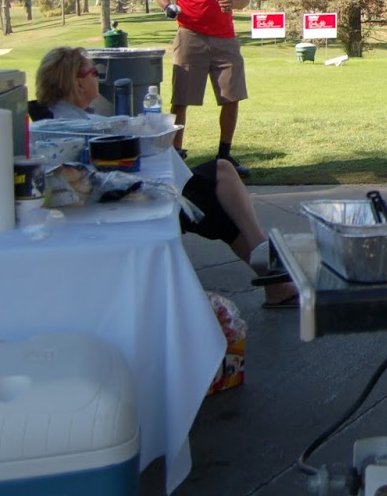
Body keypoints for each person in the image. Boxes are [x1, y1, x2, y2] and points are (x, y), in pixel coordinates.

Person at [32, 47, 297, 308]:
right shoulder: (67, 125)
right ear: (77, 82)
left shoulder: (75, 117)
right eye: (93, 72)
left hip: (138, 189)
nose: (98, 77)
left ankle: (266, 259)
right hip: (129, 201)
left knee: (221, 171)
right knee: (213, 201)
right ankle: (272, 275)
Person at [157, 0, 253, 179]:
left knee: (232, 96)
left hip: (224, 39)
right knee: (181, 99)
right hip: (189, 36)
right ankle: (176, 154)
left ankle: (224, 156)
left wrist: (234, 3)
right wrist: (168, 7)